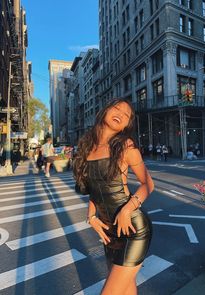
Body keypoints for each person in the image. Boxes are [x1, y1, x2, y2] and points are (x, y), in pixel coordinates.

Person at [73, 98, 154, 295]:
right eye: (117, 108)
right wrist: (91, 216)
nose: (121, 114)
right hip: (109, 231)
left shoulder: (126, 145)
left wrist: (127, 210)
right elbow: (94, 189)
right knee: (126, 288)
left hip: (133, 227)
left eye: (126, 115)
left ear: (127, 125)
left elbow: (148, 184)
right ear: (105, 111)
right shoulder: (85, 147)